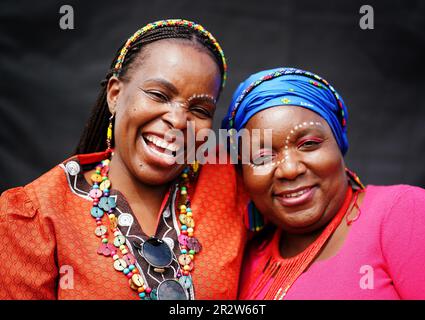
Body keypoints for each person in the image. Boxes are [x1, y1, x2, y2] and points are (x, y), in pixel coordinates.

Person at [0, 19, 248, 300]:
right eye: (158, 95)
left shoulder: (228, 183)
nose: (179, 121)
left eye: (200, 109)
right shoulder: (35, 216)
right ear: (115, 94)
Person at [221, 67, 425, 300]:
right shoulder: (244, 259)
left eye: (309, 144)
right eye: (262, 157)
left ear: (338, 142)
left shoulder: (403, 212)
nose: (290, 169)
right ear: (243, 172)